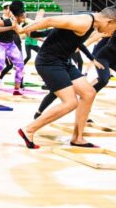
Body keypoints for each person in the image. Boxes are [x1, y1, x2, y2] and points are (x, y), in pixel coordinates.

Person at [15, 8, 116, 149]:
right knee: (70, 102)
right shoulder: (84, 21)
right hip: (49, 62)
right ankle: (29, 130)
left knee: (88, 93)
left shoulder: (91, 23)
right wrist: (22, 31)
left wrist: (91, 57)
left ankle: (78, 138)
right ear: (110, 21)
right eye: (113, 28)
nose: (111, 33)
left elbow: (74, 40)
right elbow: (49, 20)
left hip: (63, 61)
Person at [0, 1, 27, 96]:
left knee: (20, 65)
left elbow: (22, 29)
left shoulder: (17, 21)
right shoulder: (6, 21)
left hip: (11, 45)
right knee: (0, 65)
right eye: (23, 17)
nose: (24, 19)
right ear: (18, 16)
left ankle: (16, 90)